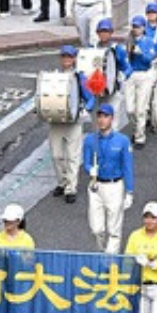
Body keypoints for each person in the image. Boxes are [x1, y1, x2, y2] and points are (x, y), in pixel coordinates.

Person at [82, 104, 135, 254]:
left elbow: (127, 167)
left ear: (112, 119)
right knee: (96, 229)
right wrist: (89, 169)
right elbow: (86, 162)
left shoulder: (122, 141)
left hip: (114, 186)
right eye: (99, 116)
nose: (102, 120)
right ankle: (101, 251)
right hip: (96, 185)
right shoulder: (90, 140)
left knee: (114, 228)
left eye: (105, 116)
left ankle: (110, 261)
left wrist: (129, 191)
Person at [47, 45, 96, 204]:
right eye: (63, 56)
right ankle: (62, 182)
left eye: (69, 56)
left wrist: (84, 110)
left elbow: (91, 98)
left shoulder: (79, 78)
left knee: (73, 156)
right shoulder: (53, 77)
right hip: (56, 121)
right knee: (56, 156)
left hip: (73, 120)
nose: (66, 59)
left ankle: (71, 188)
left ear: (74, 59)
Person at [125, 15, 157, 148]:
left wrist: (140, 53)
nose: (136, 29)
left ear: (143, 28)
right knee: (129, 109)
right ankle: (136, 127)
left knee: (141, 108)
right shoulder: (129, 40)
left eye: (138, 26)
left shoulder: (148, 41)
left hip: (145, 74)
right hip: (132, 74)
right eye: (134, 26)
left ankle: (140, 136)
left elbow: (149, 60)